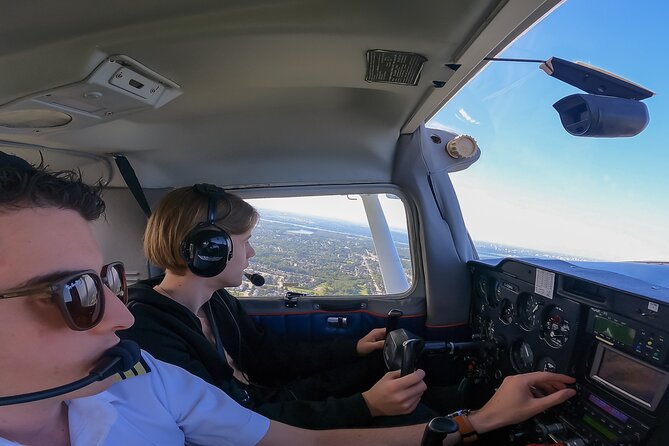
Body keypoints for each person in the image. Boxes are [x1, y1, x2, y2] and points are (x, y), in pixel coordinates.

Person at [0, 152, 577, 445]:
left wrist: (471, 420)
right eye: (74, 293)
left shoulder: (146, 380)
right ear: (205, 250)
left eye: (108, 279)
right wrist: (368, 407)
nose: (120, 315)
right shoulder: (151, 341)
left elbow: (282, 415)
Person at [120, 184, 436, 428]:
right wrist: (366, 406)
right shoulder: (149, 331)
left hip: (265, 398)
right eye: (245, 241)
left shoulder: (215, 302)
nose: (252, 252)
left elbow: (269, 353)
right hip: (253, 421)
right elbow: (235, 424)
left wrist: (353, 347)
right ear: (210, 250)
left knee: (376, 366)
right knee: (409, 422)